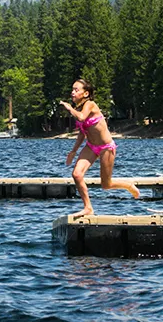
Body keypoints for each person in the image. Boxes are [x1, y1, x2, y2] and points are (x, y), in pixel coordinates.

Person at [59, 79, 139, 218]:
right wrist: (73, 151)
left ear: (86, 93)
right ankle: (88, 208)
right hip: (91, 146)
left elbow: (82, 118)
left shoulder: (90, 104)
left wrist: (69, 108)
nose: (72, 92)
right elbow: (82, 132)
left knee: (106, 185)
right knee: (77, 174)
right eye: (72, 89)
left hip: (106, 148)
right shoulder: (79, 108)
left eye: (76, 90)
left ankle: (128, 185)